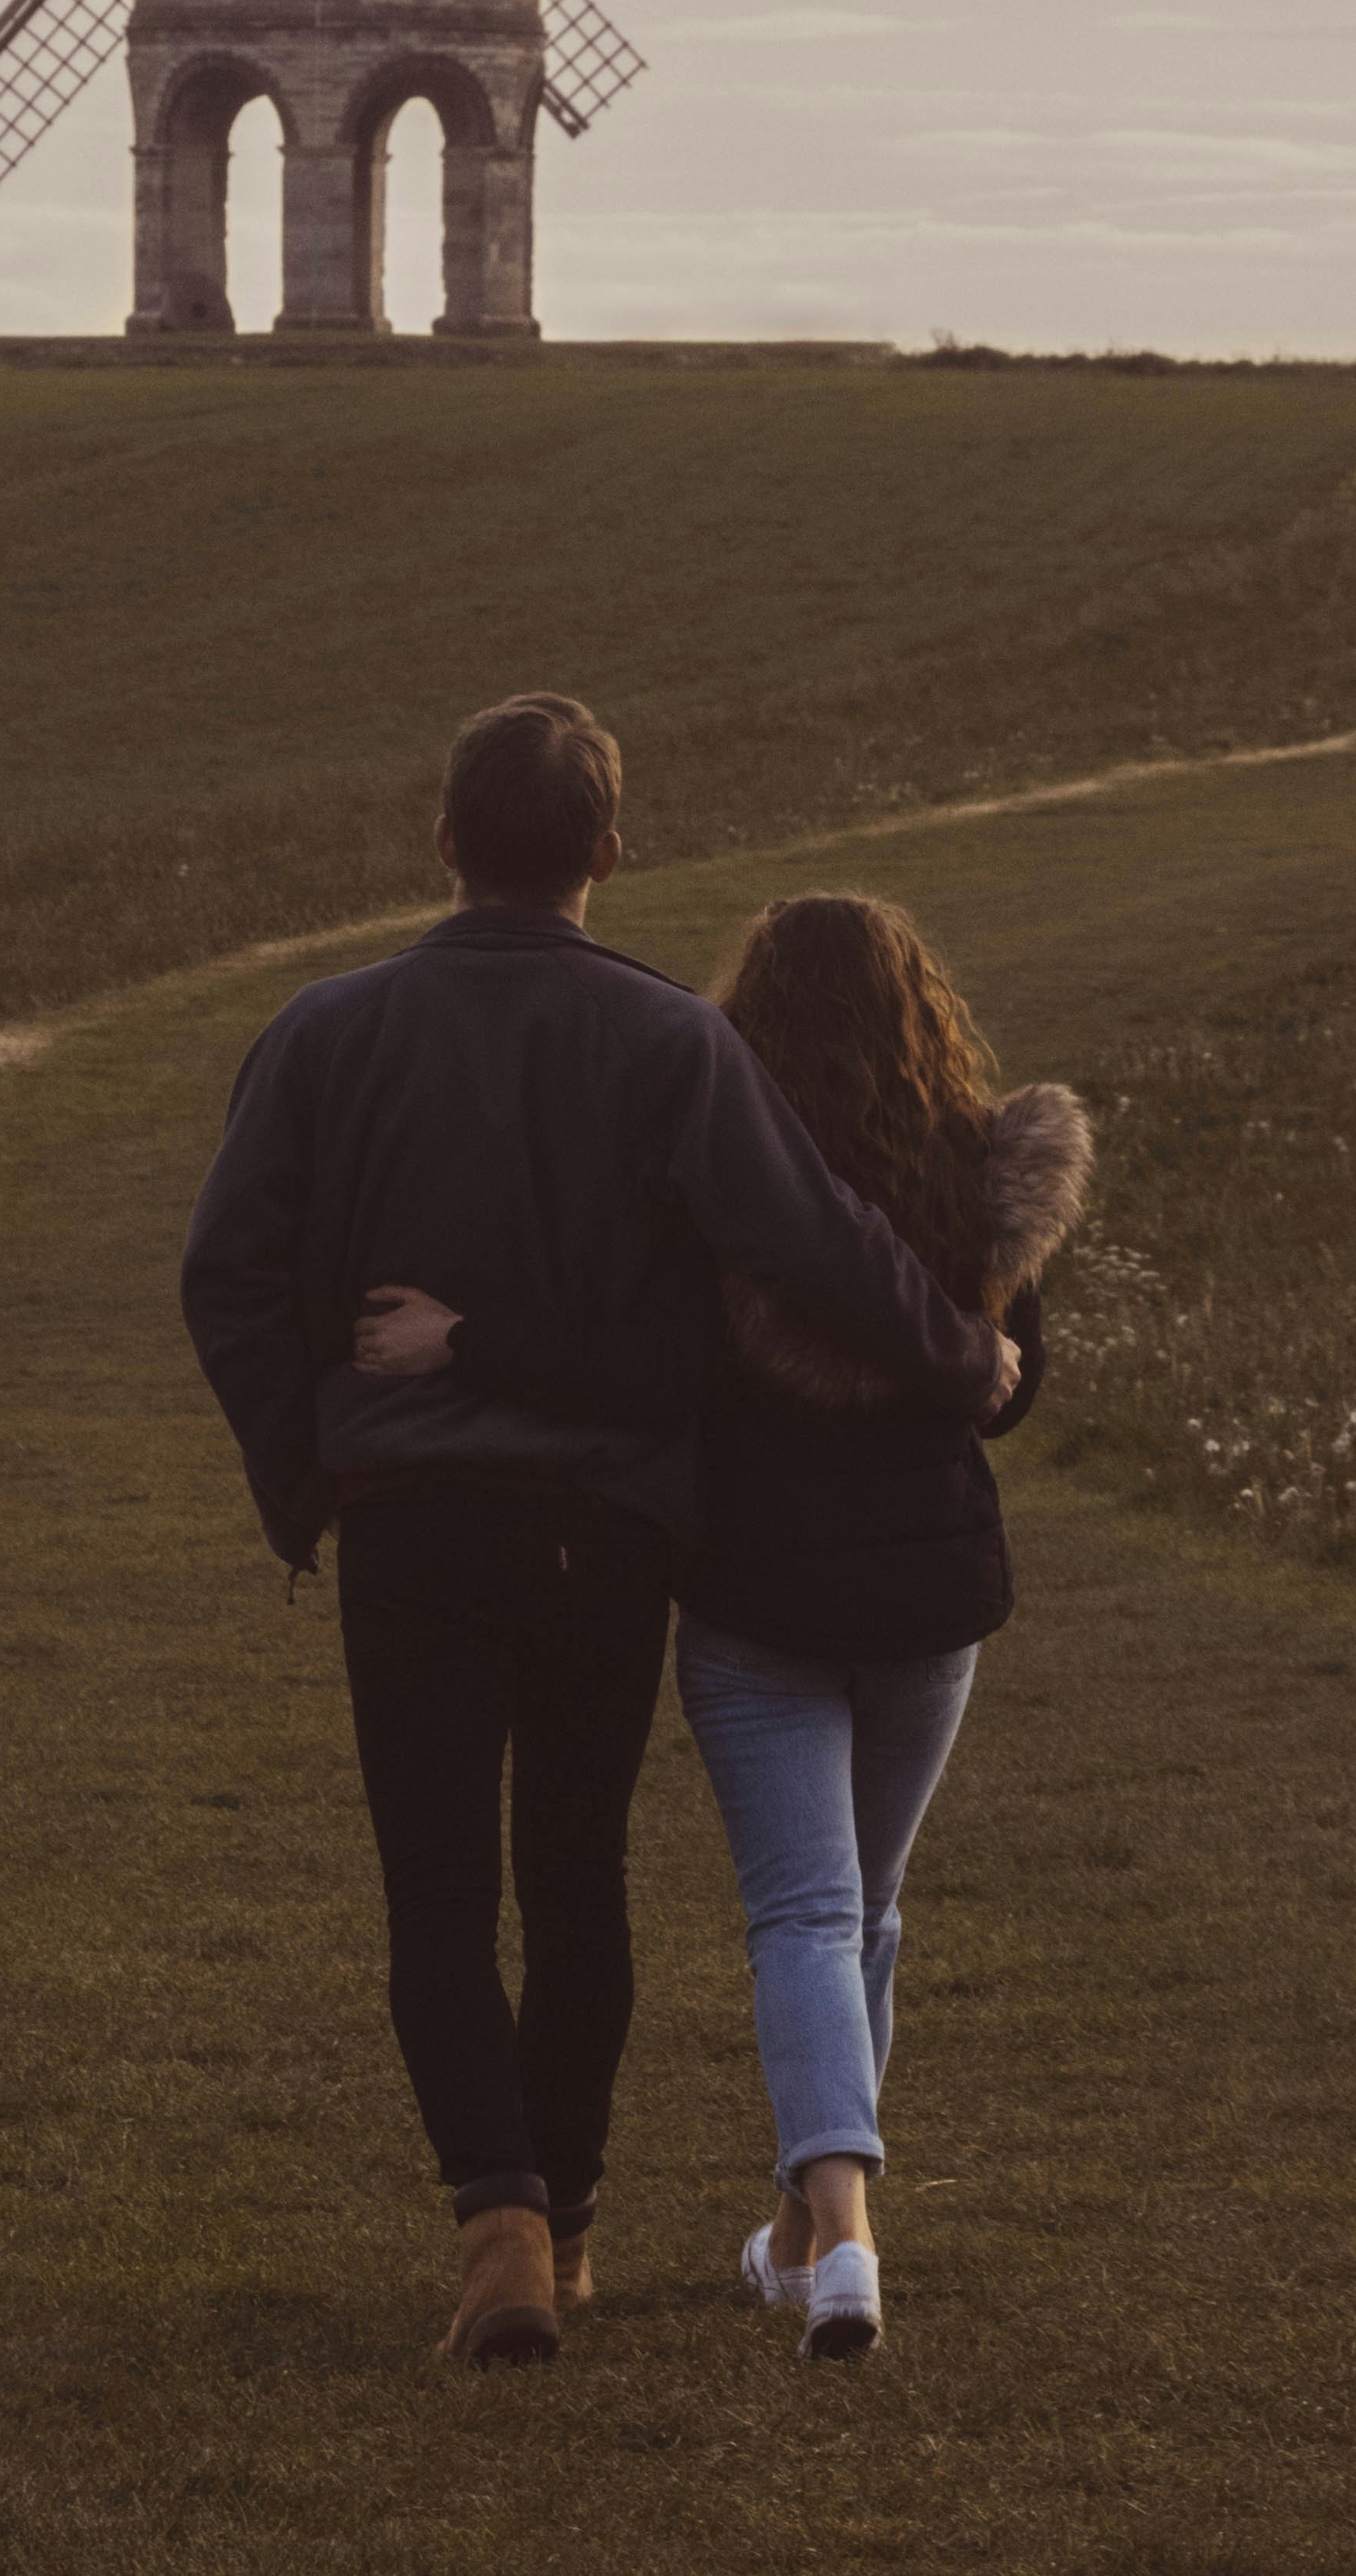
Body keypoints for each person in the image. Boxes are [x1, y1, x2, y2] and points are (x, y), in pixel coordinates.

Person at [180, 702, 1013, 2370]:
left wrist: (310, 1478)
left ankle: (493, 2220)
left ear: (443, 843)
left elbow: (228, 1275)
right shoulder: (667, 1043)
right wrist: (961, 1350)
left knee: (434, 1888)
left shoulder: (324, 1032)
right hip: (606, 1535)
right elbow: (818, 1240)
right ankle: (562, 2228)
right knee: (576, 1883)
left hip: (410, 1524)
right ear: (608, 855)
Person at [357, 890, 1090, 2362]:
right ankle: (805, 2237)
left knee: (810, 1918)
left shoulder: (714, 1185)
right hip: (933, 1600)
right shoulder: (986, 1174)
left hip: (760, 1601)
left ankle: (844, 2251)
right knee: (863, 1916)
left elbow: (644, 1363)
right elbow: (1014, 1388)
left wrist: (469, 1340)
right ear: (924, 1009)